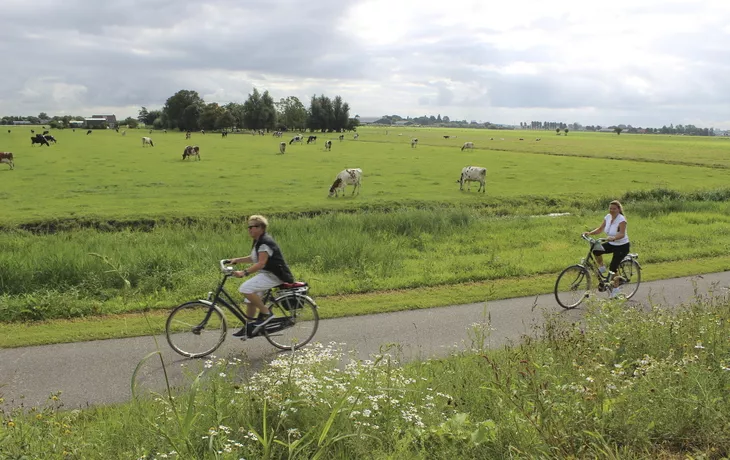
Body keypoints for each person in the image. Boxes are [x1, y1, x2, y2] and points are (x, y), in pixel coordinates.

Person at [226, 215, 295, 337]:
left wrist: (244, 273)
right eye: (249, 227)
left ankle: (267, 314)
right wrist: (236, 260)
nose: (250, 229)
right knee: (250, 300)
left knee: (245, 288)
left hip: (274, 275)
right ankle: (249, 327)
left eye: (253, 226)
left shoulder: (265, 243)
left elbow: (261, 263)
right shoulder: (258, 241)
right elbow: (253, 258)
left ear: (262, 228)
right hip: (266, 274)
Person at [582, 200, 630, 298]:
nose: (612, 210)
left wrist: (614, 237)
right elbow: (600, 229)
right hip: (612, 243)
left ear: (618, 209)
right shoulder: (608, 217)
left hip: (622, 246)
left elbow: (622, 234)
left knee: (613, 268)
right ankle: (602, 267)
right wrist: (589, 233)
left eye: (614, 208)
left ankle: (616, 290)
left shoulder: (622, 220)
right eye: (610, 208)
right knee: (596, 250)